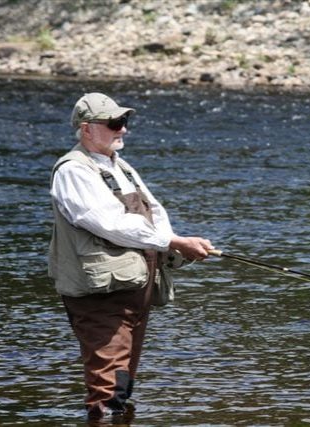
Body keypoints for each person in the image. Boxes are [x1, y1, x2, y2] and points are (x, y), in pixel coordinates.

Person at [48, 92, 213, 421]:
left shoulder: (117, 165)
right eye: (114, 123)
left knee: (124, 381)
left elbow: (155, 213)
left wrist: (174, 244)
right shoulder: (73, 171)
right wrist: (176, 242)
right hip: (99, 294)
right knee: (108, 387)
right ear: (86, 129)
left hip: (133, 288)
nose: (123, 129)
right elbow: (110, 224)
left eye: (124, 122)